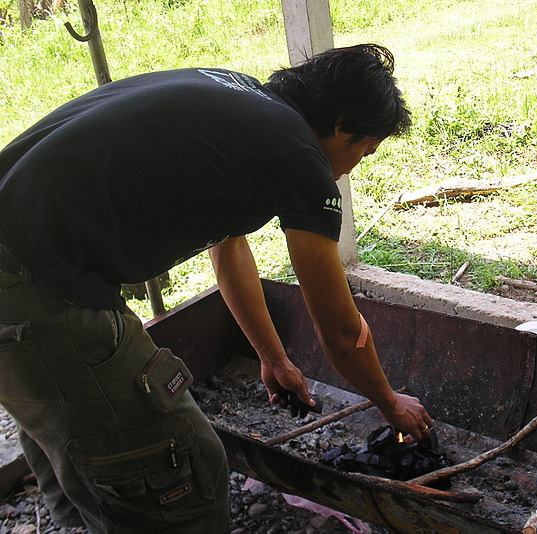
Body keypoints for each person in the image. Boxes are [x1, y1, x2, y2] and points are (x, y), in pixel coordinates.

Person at [0, 43, 433, 534]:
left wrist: (273, 357)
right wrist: (390, 403)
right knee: (184, 470)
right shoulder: (297, 156)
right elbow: (339, 330)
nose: (354, 166)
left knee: (80, 454)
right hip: (35, 292)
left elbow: (229, 251)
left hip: (16, 278)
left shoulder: (239, 99)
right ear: (341, 125)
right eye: (363, 149)